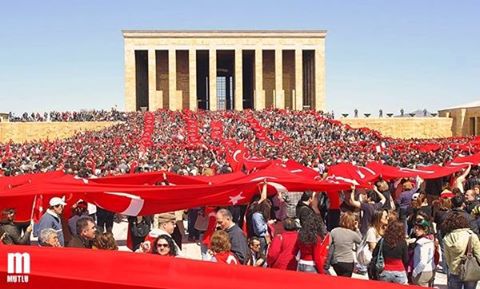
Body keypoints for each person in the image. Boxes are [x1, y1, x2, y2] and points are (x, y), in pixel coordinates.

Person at [443, 211, 480, 289]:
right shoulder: (471, 235)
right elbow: (478, 254)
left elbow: (447, 256)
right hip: (470, 269)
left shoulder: (447, 237)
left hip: (454, 270)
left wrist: (452, 267)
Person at [329, 211, 362, 277]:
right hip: (348, 262)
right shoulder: (353, 234)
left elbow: (329, 244)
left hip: (336, 262)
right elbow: (361, 241)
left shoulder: (334, 231)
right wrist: (357, 229)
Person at [411, 219, 436, 287]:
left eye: (419, 229)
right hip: (430, 269)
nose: (416, 230)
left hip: (422, 272)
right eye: (415, 228)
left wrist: (415, 272)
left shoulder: (422, 243)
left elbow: (423, 262)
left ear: (425, 229)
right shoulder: (430, 239)